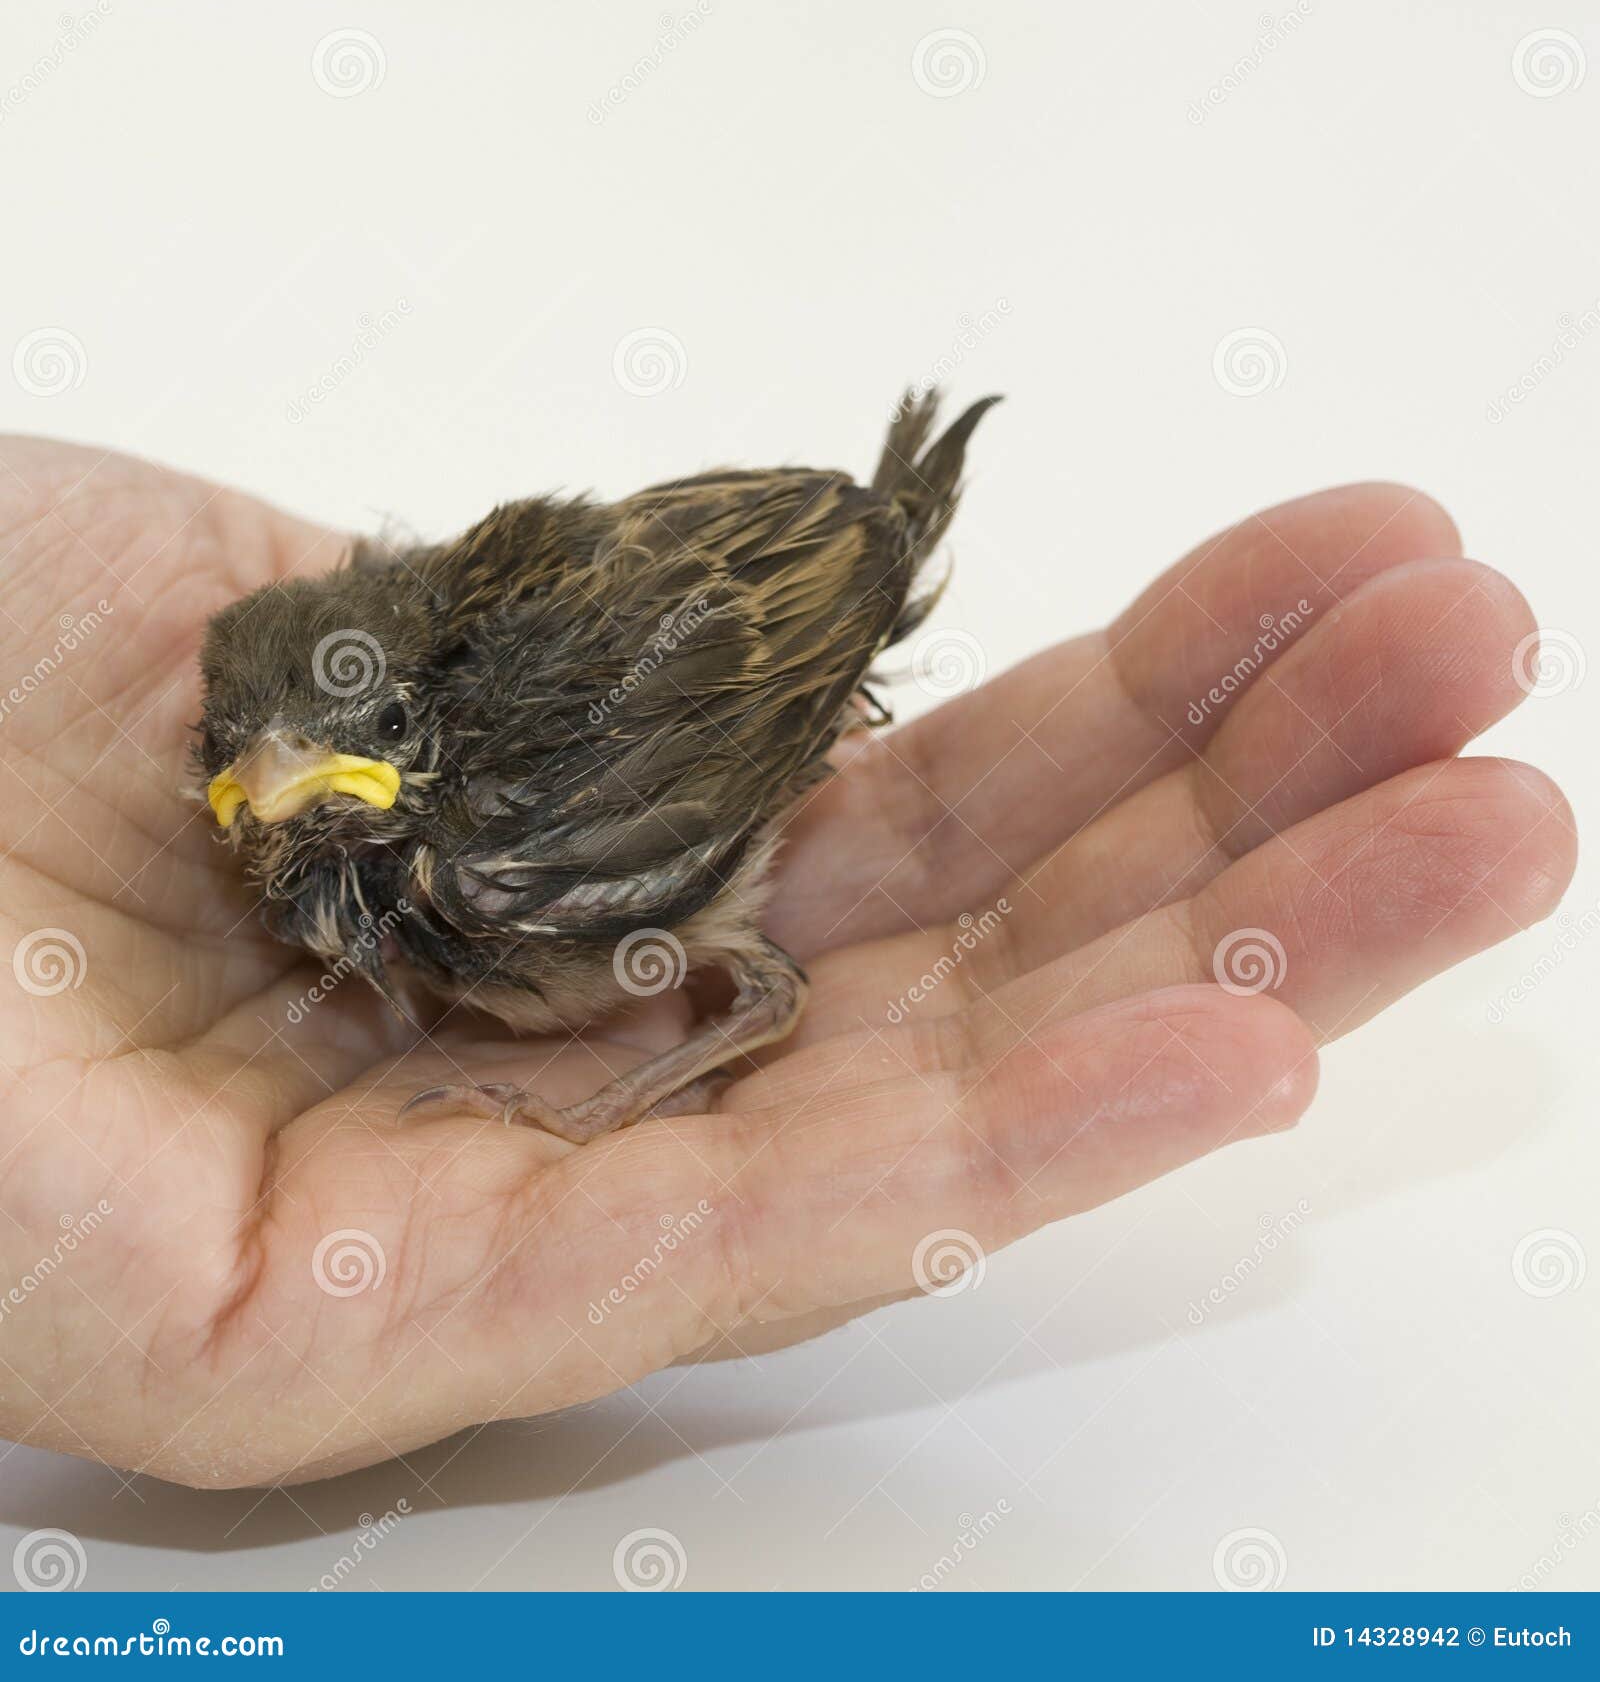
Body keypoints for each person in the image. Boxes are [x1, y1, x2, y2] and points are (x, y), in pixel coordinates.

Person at [0, 440, 1573, 1487]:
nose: (278, 787)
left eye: (359, 742)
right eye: (249, 756)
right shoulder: (327, 805)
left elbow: (733, 651)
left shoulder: (491, 842)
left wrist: (594, 1103)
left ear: (421, 701)